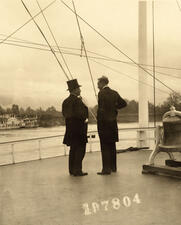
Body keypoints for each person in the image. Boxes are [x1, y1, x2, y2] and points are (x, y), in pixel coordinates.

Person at [97, 76, 127, 175]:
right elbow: (123, 103)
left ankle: (106, 169)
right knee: (112, 146)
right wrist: (115, 108)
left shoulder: (101, 93)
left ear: (102, 83)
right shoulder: (114, 93)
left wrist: (99, 121)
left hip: (104, 124)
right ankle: (113, 167)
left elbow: (101, 110)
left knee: (105, 146)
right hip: (113, 123)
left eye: (98, 83)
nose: (97, 85)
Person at [62, 79, 88, 176]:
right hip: (79, 130)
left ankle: (72, 170)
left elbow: (65, 114)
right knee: (80, 150)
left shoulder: (65, 101)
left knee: (73, 150)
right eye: (78, 89)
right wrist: (84, 107)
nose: (80, 91)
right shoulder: (78, 101)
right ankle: (78, 170)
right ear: (74, 90)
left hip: (70, 130)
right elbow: (81, 115)